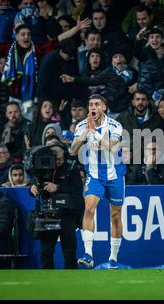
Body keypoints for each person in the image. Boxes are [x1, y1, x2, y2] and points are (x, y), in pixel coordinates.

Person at [70, 94, 125, 269]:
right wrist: (84, 133)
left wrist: (94, 131)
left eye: (96, 104)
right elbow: (72, 151)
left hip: (115, 175)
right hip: (94, 175)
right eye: (91, 104)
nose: (93, 107)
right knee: (89, 209)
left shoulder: (115, 125)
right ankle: (88, 254)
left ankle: (113, 258)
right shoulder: (81, 126)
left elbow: (114, 147)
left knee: (115, 216)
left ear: (104, 108)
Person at [30, 142, 83, 269]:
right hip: (49, 214)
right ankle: (47, 280)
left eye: (57, 153)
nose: (55, 157)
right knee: (46, 251)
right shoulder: (44, 166)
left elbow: (77, 189)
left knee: (69, 251)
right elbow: (38, 183)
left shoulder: (72, 167)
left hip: (67, 215)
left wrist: (58, 187)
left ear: (63, 153)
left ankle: (72, 279)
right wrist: (33, 187)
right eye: (52, 153)